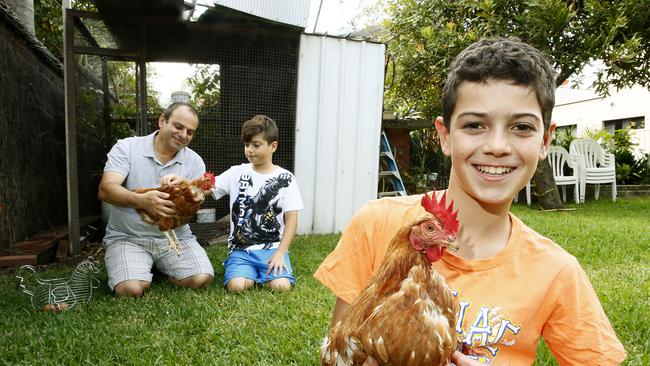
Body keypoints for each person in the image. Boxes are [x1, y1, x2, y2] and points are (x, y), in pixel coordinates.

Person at [315, 38, 626, 365]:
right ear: (445, 135)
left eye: (521, 127)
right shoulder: (377, 224)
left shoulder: (556, 271)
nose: (497, 146)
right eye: (475, 125)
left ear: (545, 140)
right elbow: (340, 352)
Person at [98, 102, 214, 297]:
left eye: (190, 132)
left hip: (175, 237)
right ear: (162, 121)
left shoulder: (194, 161)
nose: (183, 135)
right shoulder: (127, 147)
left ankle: (158, 266)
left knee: (201, 279)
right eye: (178, 126)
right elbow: (106, 190)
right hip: (128, 237)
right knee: (130, 290)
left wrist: (184, 201)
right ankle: (140, 267)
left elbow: (195, 204)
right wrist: (143, 201)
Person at [211, 115, 304, 292]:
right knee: (237, 286)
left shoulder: (287, 178)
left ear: (273, 146)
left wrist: (280, 253)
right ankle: (246, 273)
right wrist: (183, 182)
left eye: (256, 144)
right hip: (242, 250)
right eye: (247, 145)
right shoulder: (236, 173)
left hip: (272, 250)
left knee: (281, 287)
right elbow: (206, 186)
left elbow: (291, 220)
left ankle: (265, 275)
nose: (249, 150)